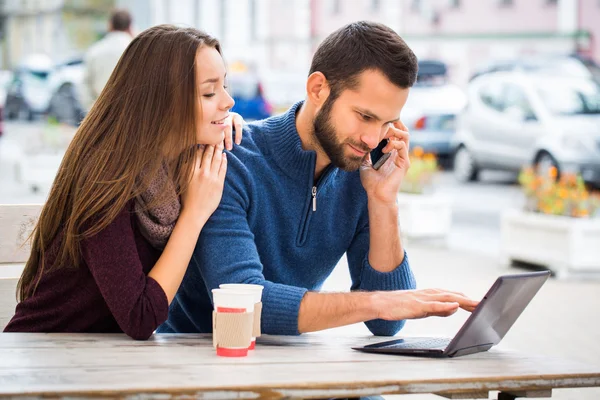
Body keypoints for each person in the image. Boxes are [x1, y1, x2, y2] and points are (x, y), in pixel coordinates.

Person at [160, 21, 478, 337]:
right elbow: (245, 302)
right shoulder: (229, 159)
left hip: (293, 366)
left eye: (387, 123)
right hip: (203, 360)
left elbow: (387, 324)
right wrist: (379, 302)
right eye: (365, 116)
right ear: (317, 89)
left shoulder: (362, 173)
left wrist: (384, 201)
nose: (372, 139)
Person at [4, 25, 245, 340]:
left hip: (104, 359)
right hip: (45, 353)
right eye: (209, 91)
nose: (228, 101)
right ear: (163, 100)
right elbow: (140, 316)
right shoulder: (105, 176)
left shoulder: (177, 163)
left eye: (224, 86)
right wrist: (195, 214)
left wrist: (223, 129)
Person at [81, 9, 134, 111]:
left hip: (100, 110)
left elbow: (85, 85)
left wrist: (91, 108)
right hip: (129, 111)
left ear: (110, 25)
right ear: (130, 26)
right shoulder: (137, 50)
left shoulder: (95, 50)